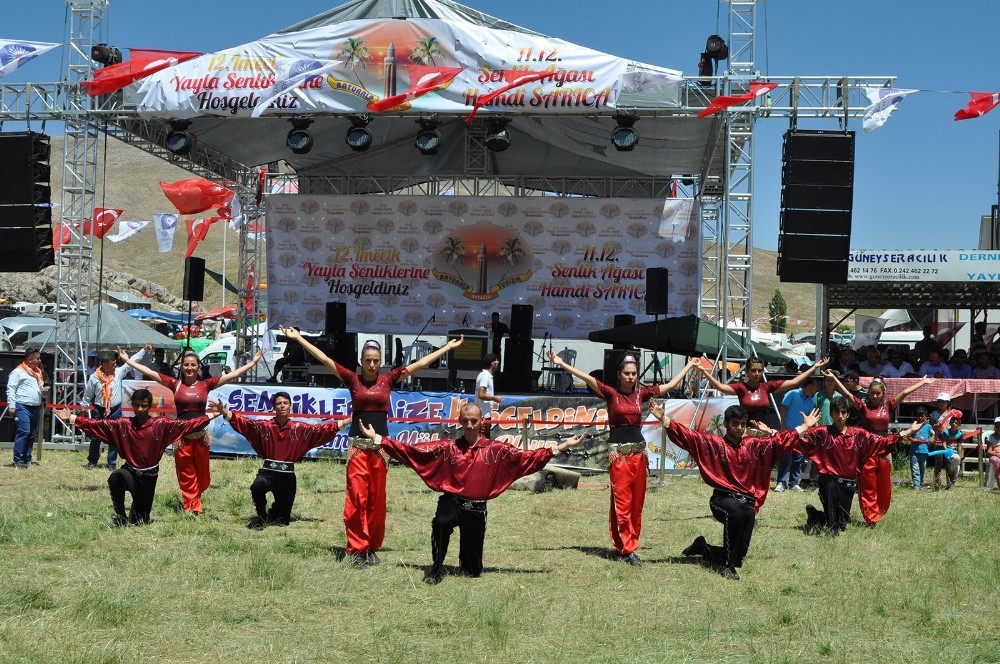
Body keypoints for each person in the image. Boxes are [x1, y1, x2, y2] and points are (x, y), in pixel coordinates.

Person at [282, 327, 464, 569]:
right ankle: (357, 548)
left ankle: (371, 546)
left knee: (376, 501)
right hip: (357, 447)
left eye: (375, 361)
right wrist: (299, 339)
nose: (371, 364)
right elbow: (325, 359)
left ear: (381, 363)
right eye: (367, 360)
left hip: (380, 448)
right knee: (357, 498)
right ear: (361, 361)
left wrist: (447, 348)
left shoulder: (388, 379)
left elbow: (419, 364)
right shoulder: (351, 379)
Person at [357, 402, 585, 584]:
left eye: (473, 421)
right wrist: (378, 439)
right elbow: (413, 451)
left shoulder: (496, 451)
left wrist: (562, 447)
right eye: (465, 420)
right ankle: (436, 568)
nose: (469, 425)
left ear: (481, 422)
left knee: (471, 571)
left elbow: (527, 458)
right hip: (451, 501)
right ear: (459, 421)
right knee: (441, 522)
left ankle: (468, 561)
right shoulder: (448, 448)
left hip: (476, 509)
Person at [548, 351, 699, 565]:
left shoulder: (641, 395)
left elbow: (671, 385)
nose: (631, 377)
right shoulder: (610, 394)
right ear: (618, 374)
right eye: (627, 373)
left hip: (639, 454)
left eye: (634, 373)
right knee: (622, 501)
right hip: (619, 455)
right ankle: (626, 548)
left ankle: (631, 544)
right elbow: (587, 378)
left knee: (637, 503)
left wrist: (689, 366)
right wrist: (561, 363)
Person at [650, 400, 821, 580]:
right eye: (735, 424)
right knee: (740, 513)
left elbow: (779, 441)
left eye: (742, 424)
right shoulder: (713, 443)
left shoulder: (754, 445)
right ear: (725, 424)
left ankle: (704, 548)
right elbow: (689, 436)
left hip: (746, 503)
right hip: (721, 500)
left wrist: (804, 427)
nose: (739, 428)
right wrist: (665, 420)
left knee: (745, 517)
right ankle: (728, 566)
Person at [118, 346, 264, 514]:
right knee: (186, 475)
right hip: (182, 438)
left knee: (203, 478)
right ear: (182, 367)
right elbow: (150, 373)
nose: (189, 368)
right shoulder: (175, 384)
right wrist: (128, 360)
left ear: (198, 367)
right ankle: (192, 507)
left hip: (201, 437)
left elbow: (233, 375)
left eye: (193, 365)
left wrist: (253, 362)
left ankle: (195, 498)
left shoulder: (206, 384)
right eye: (186, 365)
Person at [53, 389, 210, 526]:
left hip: (148, 478)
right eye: (137, 405)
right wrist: (72, 418)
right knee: (116, 477)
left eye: (144, 406)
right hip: (130, 472)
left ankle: (138, 511)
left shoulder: (161, 425)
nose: (140, 409)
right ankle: (121, 517)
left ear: (150, 407)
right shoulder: (123, 425)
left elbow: (187, 424)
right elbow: (98, 425)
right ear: (132, 405)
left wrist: (213, 415)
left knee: (140, 521)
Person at [210, 394, 350, 529]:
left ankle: (275, 511)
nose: (282, 406)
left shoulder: (299, 428)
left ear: (290, 406)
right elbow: (245, 423)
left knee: (281, 521)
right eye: (278, 403)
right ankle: (261, 516)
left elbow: (321, 430)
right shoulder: (265, 426)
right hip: (268, 473)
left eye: (285, 403)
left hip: (287, 477)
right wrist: (224, 411)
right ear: (274, 407)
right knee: (257, 486)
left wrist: (346, 421)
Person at [796, 396, 923, 535]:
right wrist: (805, 426)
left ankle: (816, 516)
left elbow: (883, 442)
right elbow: (797, 441)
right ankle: (833, 530)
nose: (840, 416)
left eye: (843, 412)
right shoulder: (822, 433)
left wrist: (909, 431)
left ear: (848, 414)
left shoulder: (858, 435)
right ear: (831, 414)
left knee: (842, 522)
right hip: (828, 481)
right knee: (829, 485)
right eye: (837, 412)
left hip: (848, 485)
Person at [825, 373, 933, 525]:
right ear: (868, 393)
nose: (875, 396)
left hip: (884, 448)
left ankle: (879, 511)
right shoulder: (863, 407)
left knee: (883, 484)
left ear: (883, 394)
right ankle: (871, 517)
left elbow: (904, 392)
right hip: (867, 449)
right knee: (868, 484)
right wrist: (835, 379)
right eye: (872, 393)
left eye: (878, 393)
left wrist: (923, 382)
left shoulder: (888, 406)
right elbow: (848, 394)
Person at [698, 356, 830, 429]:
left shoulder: (767, 387)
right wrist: (704, 371)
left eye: (759, 371)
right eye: (753, 370)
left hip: (764, 431)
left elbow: (795, 382)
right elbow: (720, 387)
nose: (756, 374)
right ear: (747, 371)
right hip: (744, 431)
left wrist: (814, 367)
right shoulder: (740, 387)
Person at [81, 347, 149, 470]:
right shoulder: (94, 377)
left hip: (115, 410)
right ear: (104, 364)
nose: (115, 365)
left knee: (114, 437)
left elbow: (131, 361)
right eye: (112, 364)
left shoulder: (118, 372)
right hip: (99, 410)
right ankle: (92, 461)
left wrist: (143, 350)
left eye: (115, 363)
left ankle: (111, 463)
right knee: (96, 436)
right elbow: (88, 394)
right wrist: (84, 408)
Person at [774, 377, 821, 492]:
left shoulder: (811, 401)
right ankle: (781, 482)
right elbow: (783, 409)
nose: (817, 388)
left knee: (798, 458)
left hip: (801, 433)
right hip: (788, 431)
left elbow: (809, 418)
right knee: (785, 457)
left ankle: (794, 483)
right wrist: (783, 426)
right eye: (815, 385)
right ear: (809, 385)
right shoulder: (792, 393)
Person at [6, 348, 45, 469]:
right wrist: (11, 405)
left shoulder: (37, 373)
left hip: (35, 407)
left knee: (32, 434)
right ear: (29, 359)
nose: (39, 361)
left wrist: (43, 393)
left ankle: (27, 459)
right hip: (22, 406)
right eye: (37, 358)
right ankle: (18, 460)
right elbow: (11, 388)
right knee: (24, 431)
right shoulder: (17, 372)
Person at [475, 353, 502, 436]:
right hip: (483, 415)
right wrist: (495, 398)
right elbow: (481, 395)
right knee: (483, 441)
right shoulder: (485, 376)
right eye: (497, 363)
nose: (497, 364)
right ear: (492, 364)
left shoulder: (486, 375)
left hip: (484, 414)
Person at [934, 415, 964, 490]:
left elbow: (959, 446)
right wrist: (947, 452)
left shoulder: (960, 434)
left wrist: (960, 456)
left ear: (959, 425)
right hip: (947, 451)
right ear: (950, 423)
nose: (954, 424)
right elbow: (944, 443)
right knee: (945, 464)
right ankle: (937, 481)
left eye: (956, 423)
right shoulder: (946, 433)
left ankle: (951, 484)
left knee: (956, 467)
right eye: (952, 422)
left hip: (955, 453)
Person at [908, 406, 933, 490]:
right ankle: (916, 486)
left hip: (924, 452)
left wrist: (931, 440)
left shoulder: (928, 426)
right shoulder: (914, 425)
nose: (920, 418)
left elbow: (933, 434)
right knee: (915, 470)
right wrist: (913, 439)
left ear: (926, 416)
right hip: (914, 452)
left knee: (922, 469)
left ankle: (921, 484)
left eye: (922, 416)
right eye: (918, 416)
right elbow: (908, 436)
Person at [986, 417, 1000, 490]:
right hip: (994, 456)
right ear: (995, 427)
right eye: (997, 426)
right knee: (997, 462)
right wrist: (997, 454)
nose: (999, 428)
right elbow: (988, 451)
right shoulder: (991, 437)